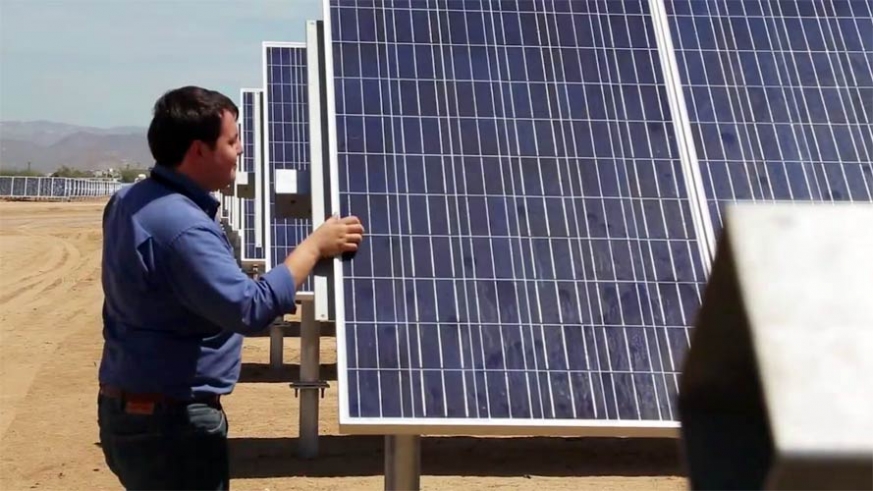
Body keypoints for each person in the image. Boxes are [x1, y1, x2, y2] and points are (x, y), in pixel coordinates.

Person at [96, 86, 364, 490]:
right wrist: (315, 245)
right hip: (171, 423)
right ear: (198, 151)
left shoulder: (129, 200)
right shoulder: (182, 227)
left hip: (134, 408)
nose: (241, 151)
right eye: (233, 140)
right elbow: (249, 309)